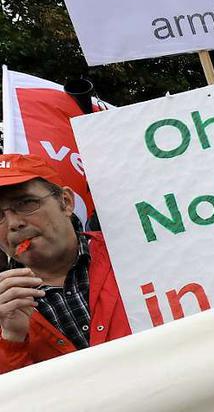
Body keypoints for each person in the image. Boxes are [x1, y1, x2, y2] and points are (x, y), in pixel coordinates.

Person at [0, 154, 130, 373]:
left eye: (25, 203)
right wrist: (11, 339)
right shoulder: (4, 309)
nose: (14, 223)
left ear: (66, 202)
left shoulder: (130, 249)